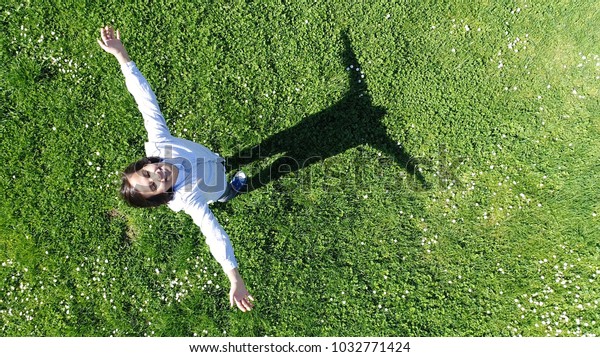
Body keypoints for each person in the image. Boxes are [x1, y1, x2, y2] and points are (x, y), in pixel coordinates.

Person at [97, 25, 254, 312]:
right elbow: (214, 235)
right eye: (154, 186)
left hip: (211, 159)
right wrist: (235, 278)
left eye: (147, 172)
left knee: (221, 161)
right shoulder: (190, 199)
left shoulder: (160, 143)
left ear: (147, 163)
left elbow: (145, 101)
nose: (157, 175)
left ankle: (226, 170)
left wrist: (122, 56)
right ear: (164, 196)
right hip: (213, 188)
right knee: (221, 193)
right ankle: (230, 193)